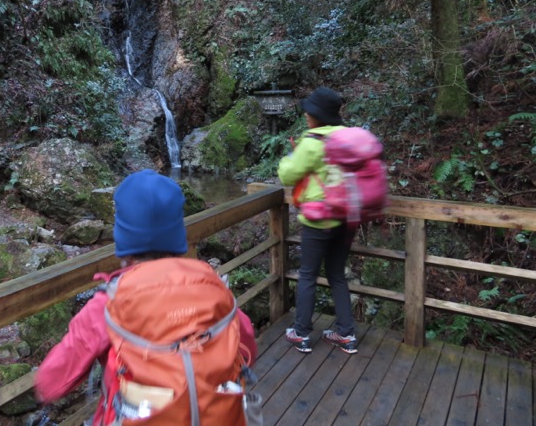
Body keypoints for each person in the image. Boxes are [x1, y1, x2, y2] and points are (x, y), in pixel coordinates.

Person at [34, 169, 258, 423]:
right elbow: (248, 345)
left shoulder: (111, 302)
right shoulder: (212, 286)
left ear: (123, 240)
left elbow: (51, 383)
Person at [277, 86, 358, 354]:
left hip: (319, 219)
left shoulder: (312, 142)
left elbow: (288, 175)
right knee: (336, 275)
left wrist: (293, 154)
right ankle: (346, 334)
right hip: (347, 218)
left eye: (308, 112)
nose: (305, 115)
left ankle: (300, 333)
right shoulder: (350, 137)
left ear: (317, 115)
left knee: (308, 275)